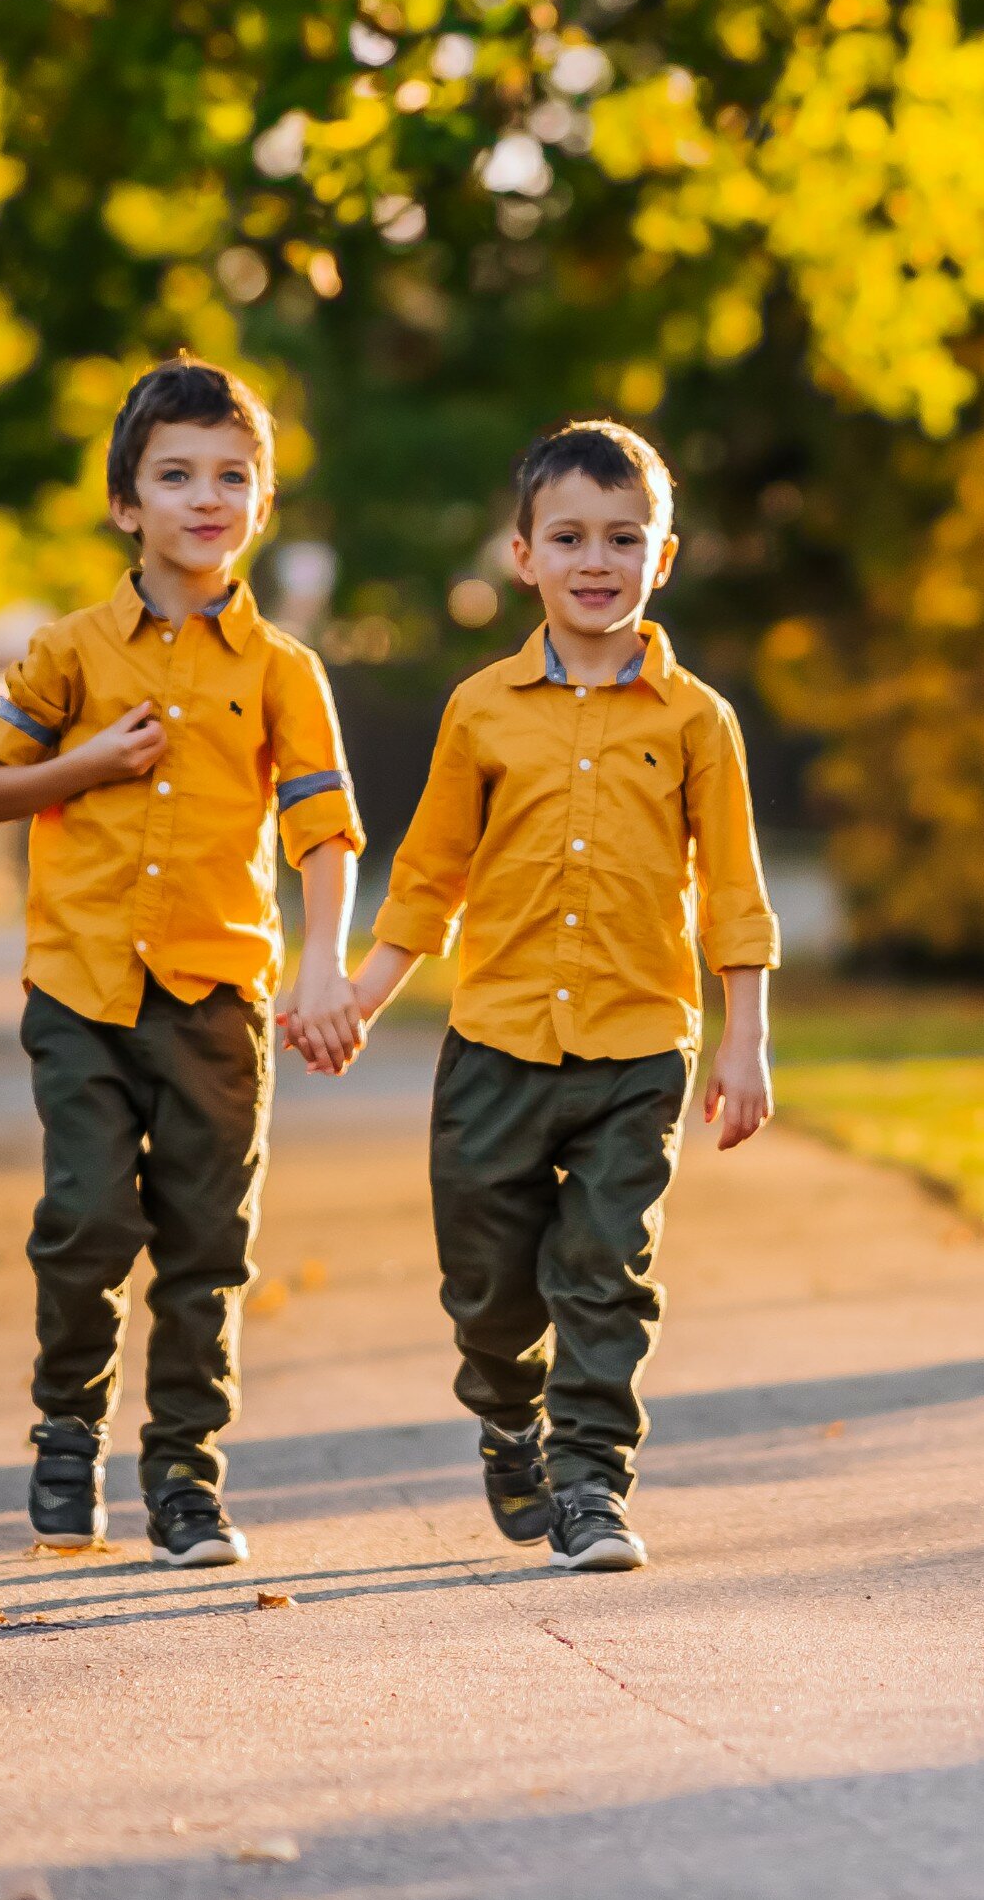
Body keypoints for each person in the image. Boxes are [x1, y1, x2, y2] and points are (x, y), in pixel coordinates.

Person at [289, 417, 776, 1574]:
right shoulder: (480, 708)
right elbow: (431, 875)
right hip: (495, 1043)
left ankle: (592, 1484)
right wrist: (360, 994)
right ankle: (510, 1419)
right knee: (488, 1290)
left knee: (607, 1273)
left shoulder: (696, 719)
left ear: (662, 557)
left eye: (622, 537)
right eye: (568, 536)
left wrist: (745, 1037)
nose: (594, 559)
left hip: (636, 1047)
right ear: (522, 556)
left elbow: (734, 891)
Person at [0, 353, 362, 1568]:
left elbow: (323, 829)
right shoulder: (70, 651)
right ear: (126, 503)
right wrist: (85, 766)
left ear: (261, 501)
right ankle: (66, 1433)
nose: (205, 497)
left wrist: (324, 964)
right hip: (79, 985)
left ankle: (185, 1476)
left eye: (231, 475)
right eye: (175, 475)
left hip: (215, 993)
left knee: (204, 1243)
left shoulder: (282, 670)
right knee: (86, 1216)